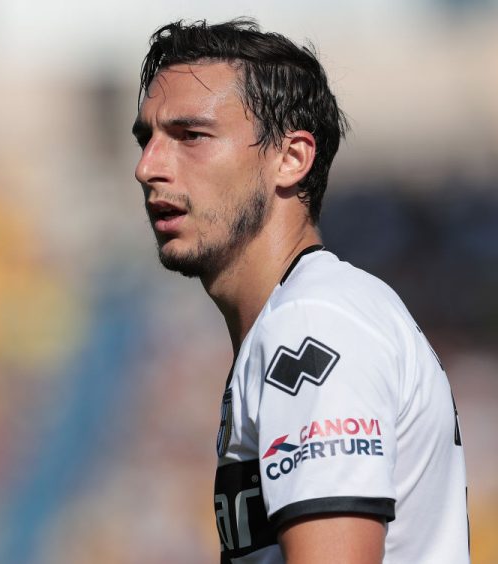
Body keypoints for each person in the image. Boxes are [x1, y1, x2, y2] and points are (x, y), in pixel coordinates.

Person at [132, 18, 469, 563]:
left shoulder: (313, 322)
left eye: (191, 136)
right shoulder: (303, 314)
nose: (148, 167)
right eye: (146, 139)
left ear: (291, 159)